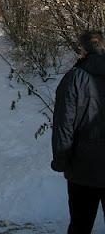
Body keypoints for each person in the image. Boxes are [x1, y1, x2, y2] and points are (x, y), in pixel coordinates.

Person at [51, 30, 105, 234]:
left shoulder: (73, 79)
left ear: (82, 50)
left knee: (81, 225)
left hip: (84, 167)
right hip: (86, 165)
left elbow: (64, 125)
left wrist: (61, 160)